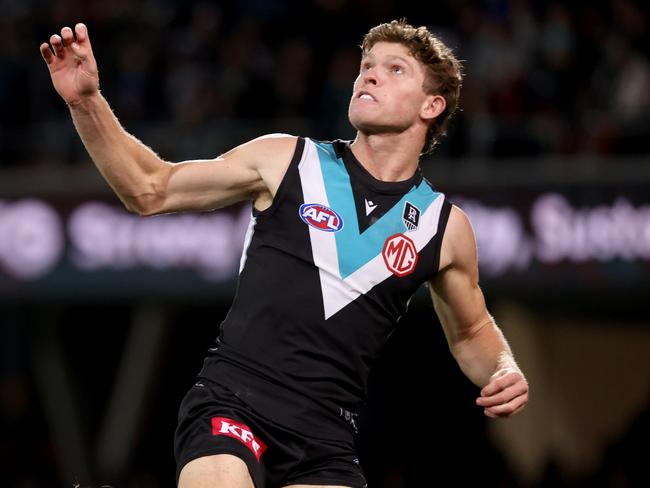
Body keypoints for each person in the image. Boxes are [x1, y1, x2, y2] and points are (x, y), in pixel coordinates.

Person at [40, 19, 529, 488]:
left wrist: (503, 368)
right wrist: (87, 101)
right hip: (231, 405)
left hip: (325, 441)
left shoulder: (443, 227)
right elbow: (149, 189)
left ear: (431, 106)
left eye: (395, 69)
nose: (370, 74)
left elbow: (472, 331)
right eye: (366, 65)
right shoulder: (288, 159)